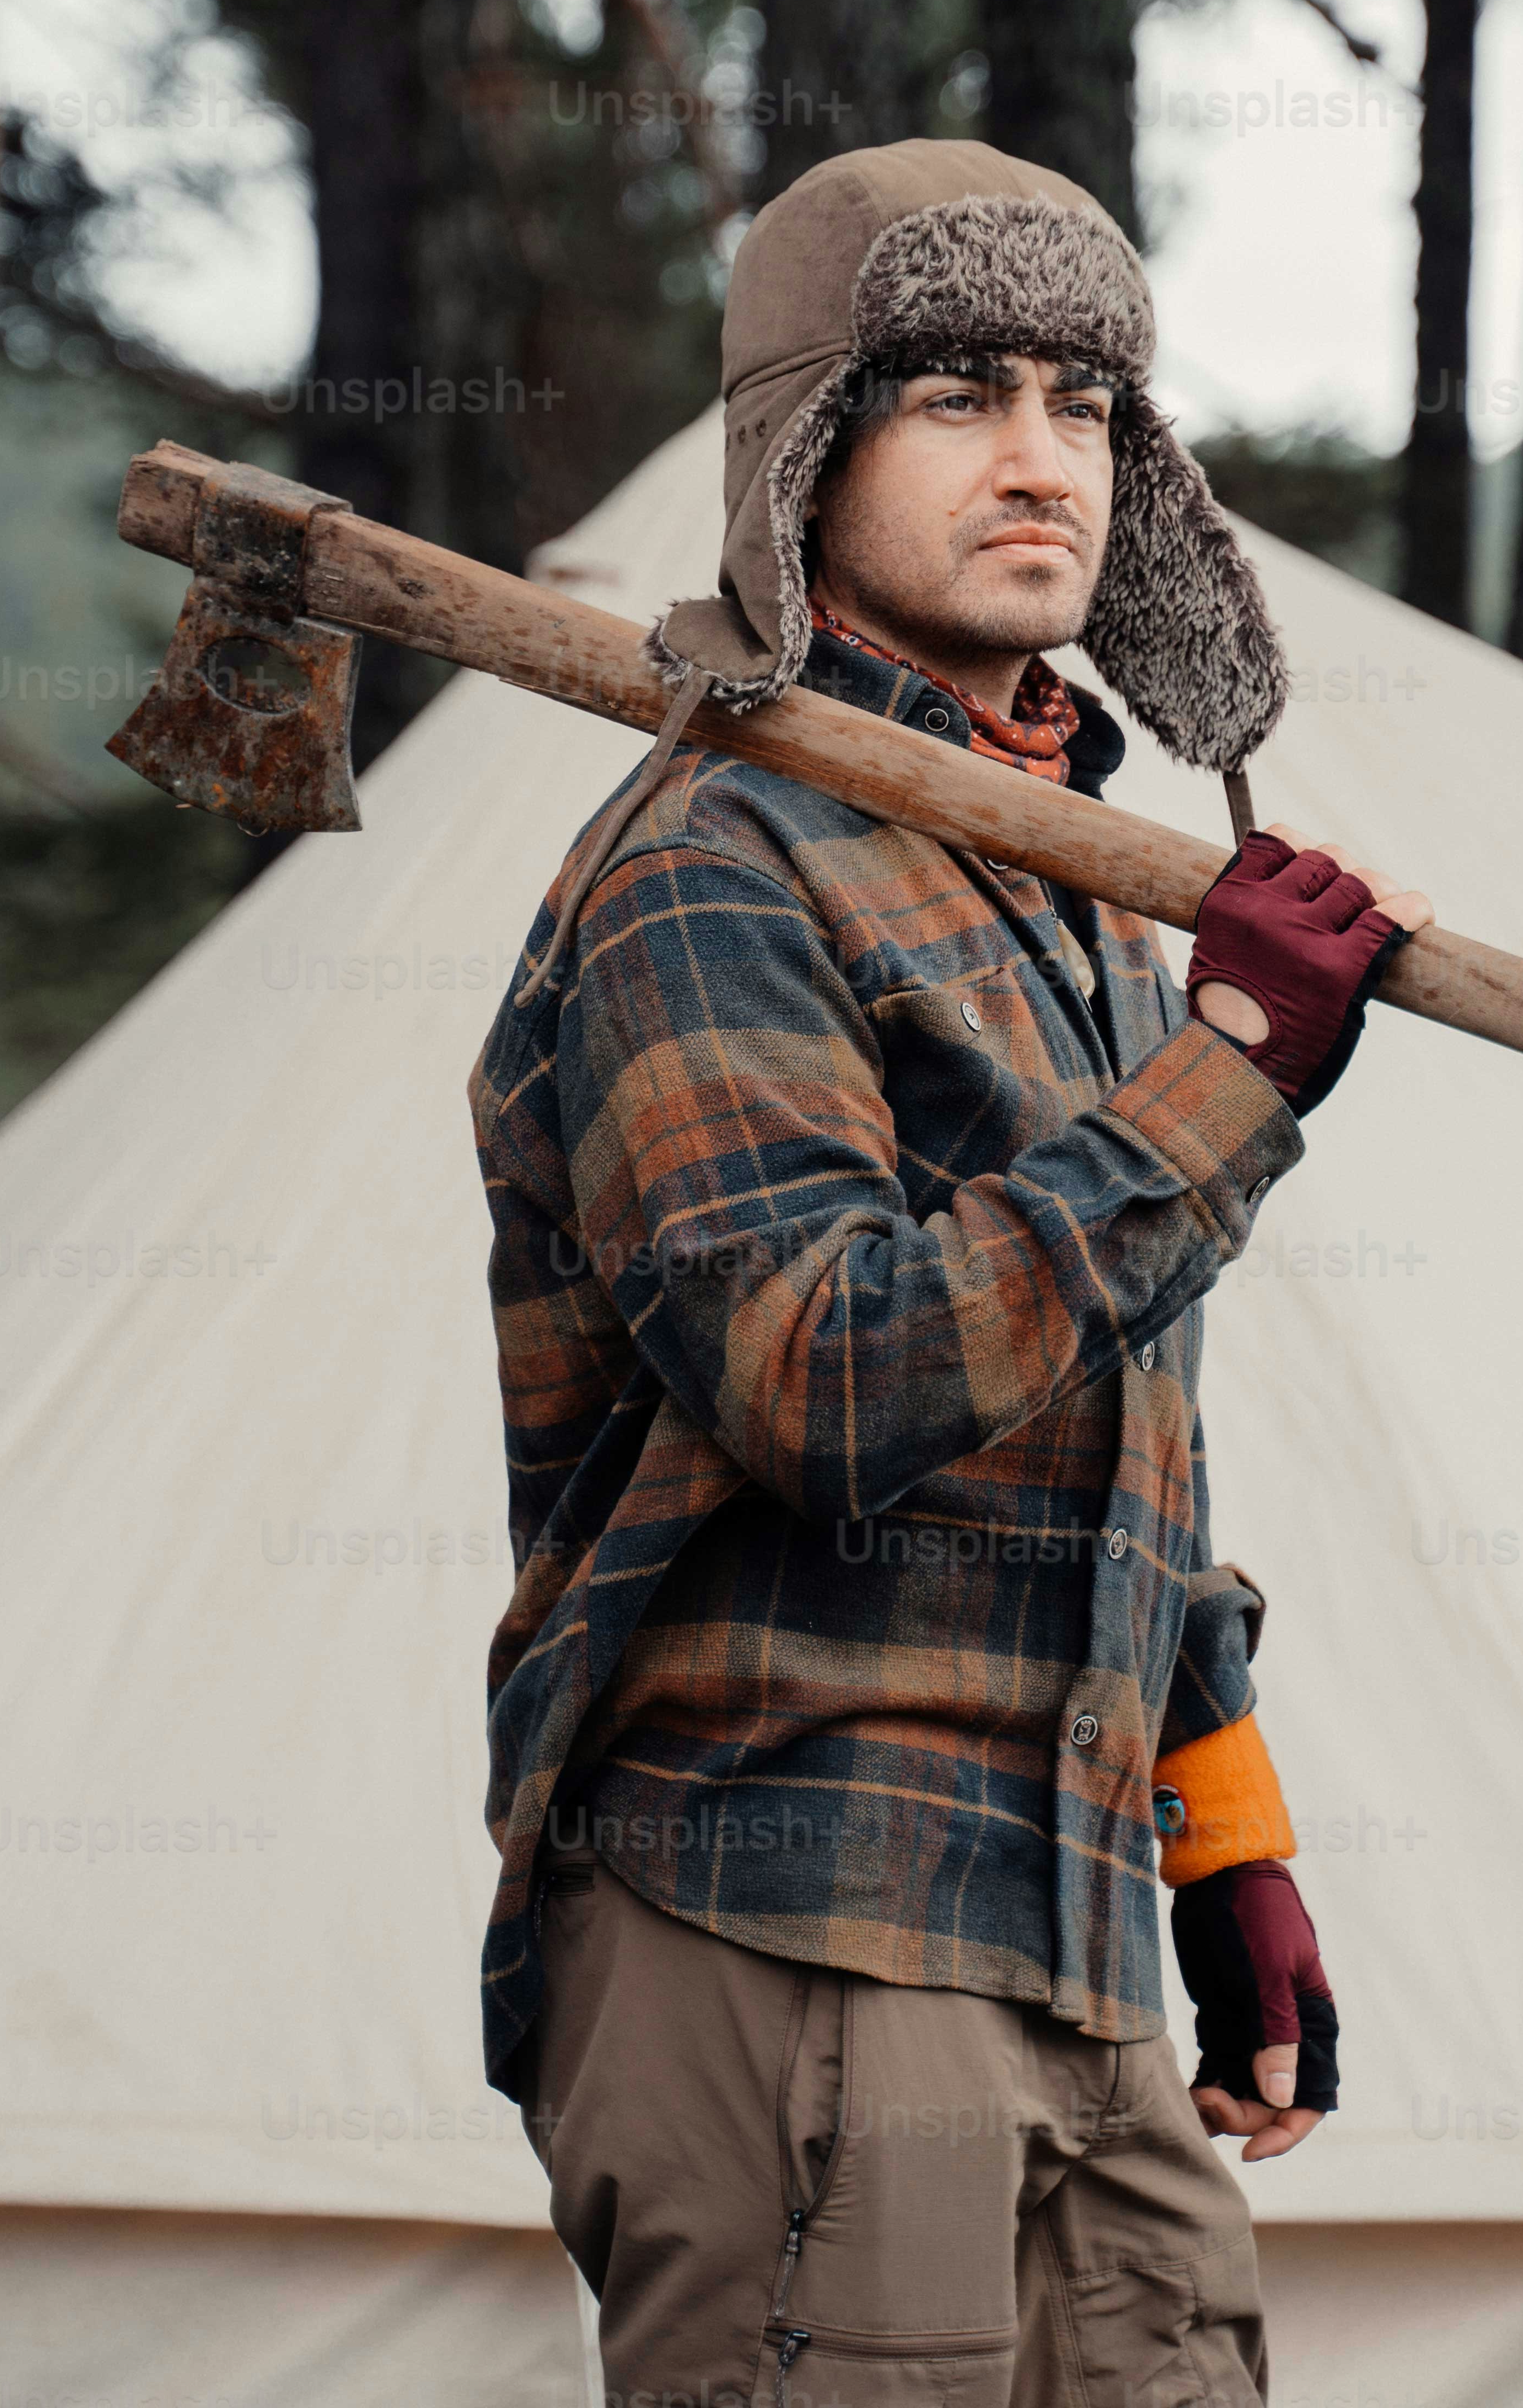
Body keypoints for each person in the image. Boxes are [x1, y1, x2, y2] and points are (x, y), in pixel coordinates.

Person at [471, 141, 1430, 2407]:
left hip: (1074, 1937)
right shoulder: (708, 868)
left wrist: (1224, 1837)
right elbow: (827, 1377)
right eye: (958, 395)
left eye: (1087, 406)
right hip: (785, 1915)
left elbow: (1112, 1446)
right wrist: (1229, 1078)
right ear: (809, 453)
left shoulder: (1079, 878)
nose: (1040, 459)